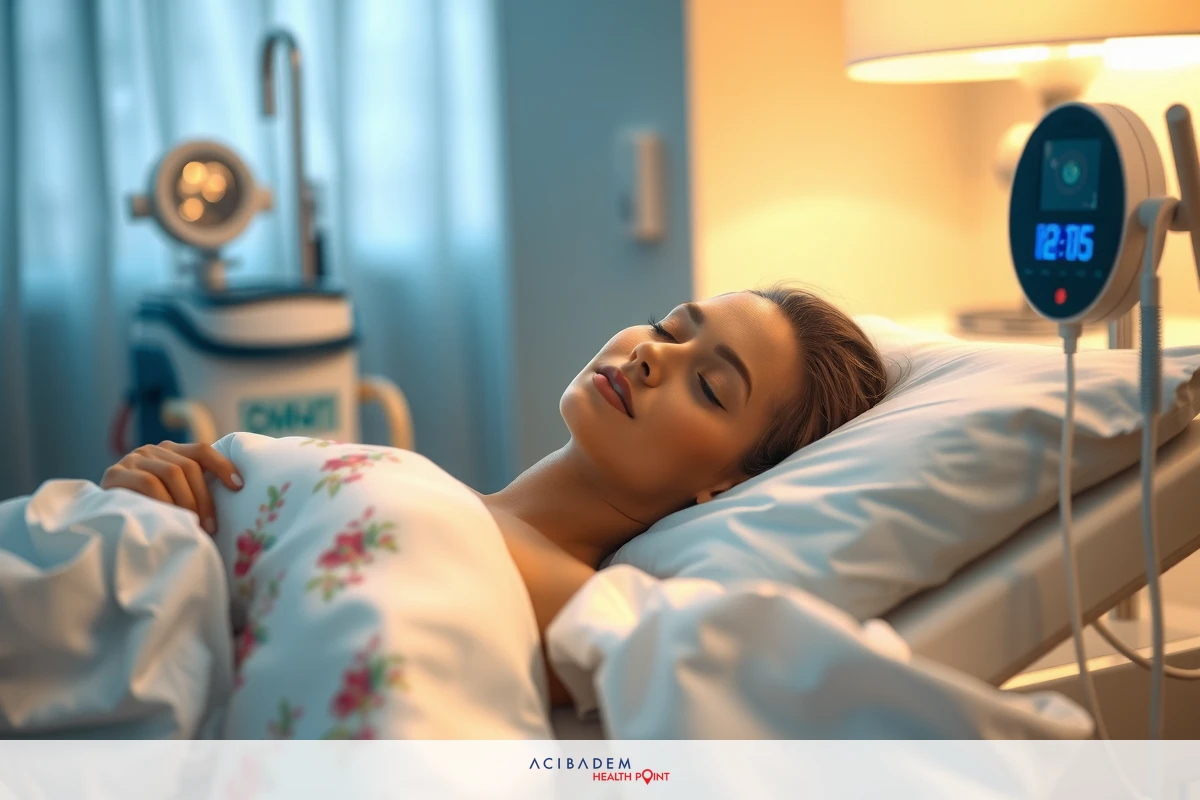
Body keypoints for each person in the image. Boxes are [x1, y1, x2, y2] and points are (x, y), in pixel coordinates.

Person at [100, 285, 889, 706]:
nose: (654, 356)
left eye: (710, 386)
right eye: (668, 327)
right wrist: (146, 499)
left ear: (730, 485)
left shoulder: (578, 604)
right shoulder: (443, 495)